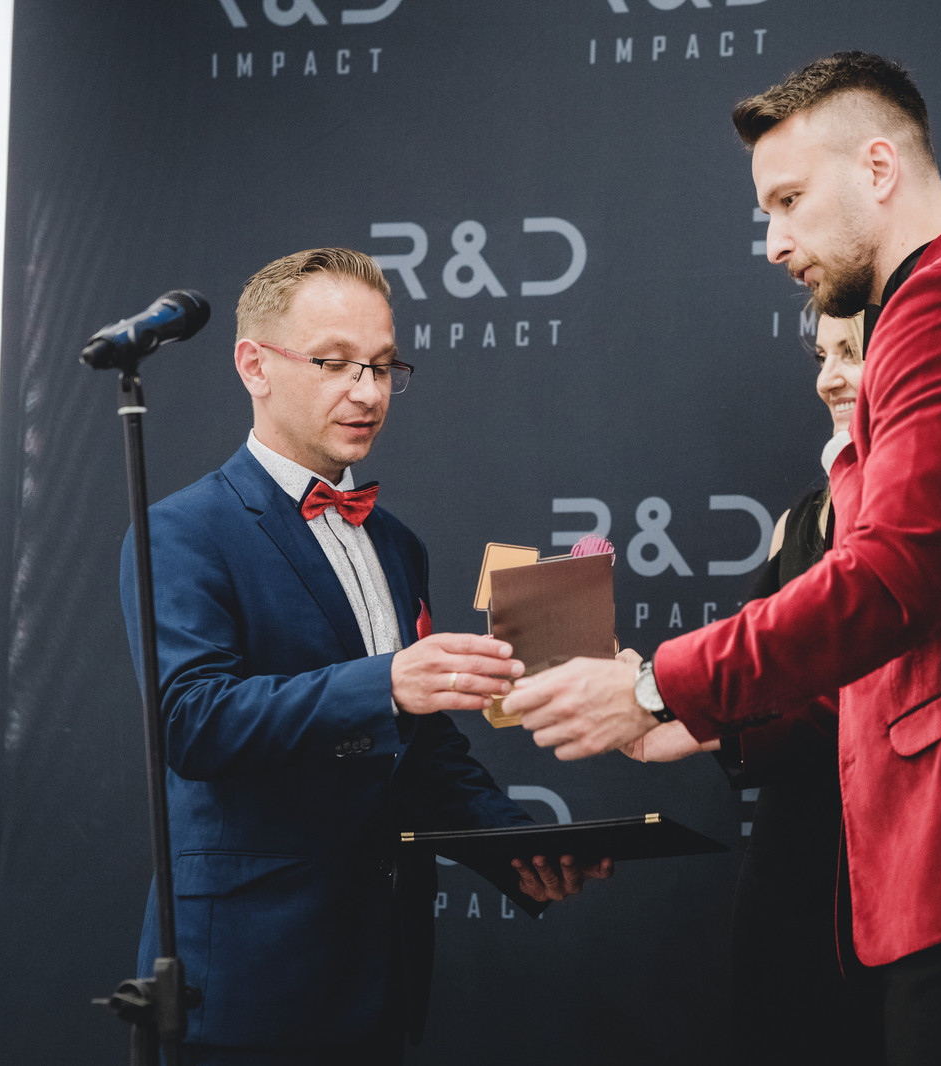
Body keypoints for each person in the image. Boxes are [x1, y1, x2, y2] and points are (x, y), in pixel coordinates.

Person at [505, 51, 941, 1061]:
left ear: (879, 168)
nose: (772, 242)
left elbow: (885, 582)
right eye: (765, 211)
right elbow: (903, 642)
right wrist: (694, 720)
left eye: (789, 201)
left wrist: (656, 686)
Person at [120, 247, 607, 1065]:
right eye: (335, 363)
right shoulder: (182, 531)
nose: (369, 392)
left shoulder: (397, 545)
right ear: (254, 366)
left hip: (381, 974)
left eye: (383, 367)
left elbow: (416, 747)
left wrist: (511, 847)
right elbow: (192, 724)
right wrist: (387, 681)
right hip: (244, 982)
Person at [626, 310, 881, 1064]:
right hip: (790, 856)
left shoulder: (926, 516)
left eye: (851, 353)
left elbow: (867, 692)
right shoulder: (797, 521)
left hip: (896, 856)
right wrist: (651, 703)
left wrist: (670, 706)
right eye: (822, 355)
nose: (828, 378)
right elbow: (747, 682)